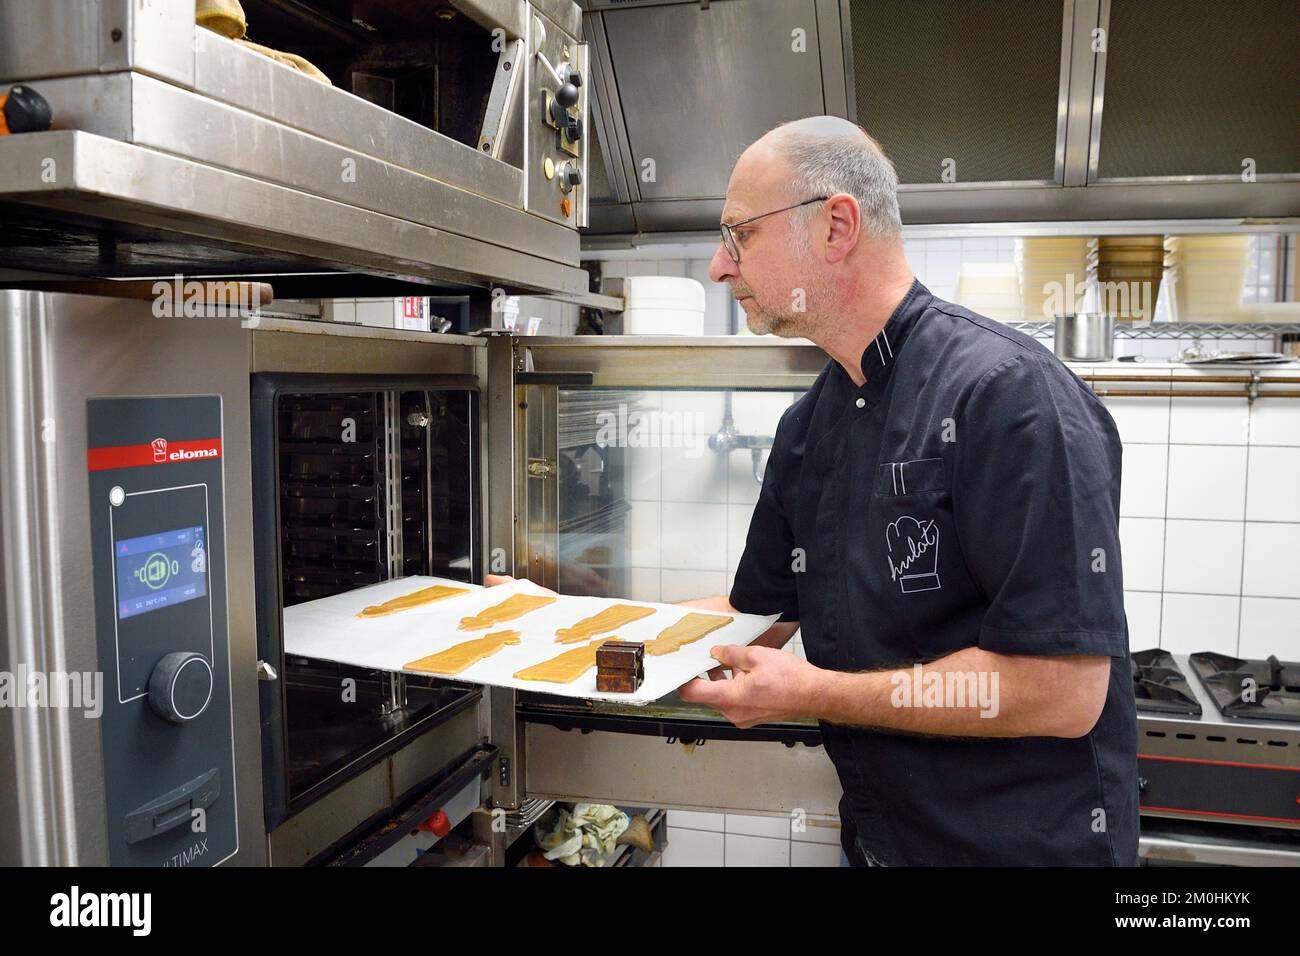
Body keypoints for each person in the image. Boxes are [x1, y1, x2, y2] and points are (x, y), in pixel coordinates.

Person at [673, 115, 1138, 866]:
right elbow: (758, 617)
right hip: (882, 844)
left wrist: (814, 693)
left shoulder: (1008, 395)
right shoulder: (808, 425)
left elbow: (1062, 692)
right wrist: (560, 626)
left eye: (741, 235)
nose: (719, 268)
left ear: (835, 226)